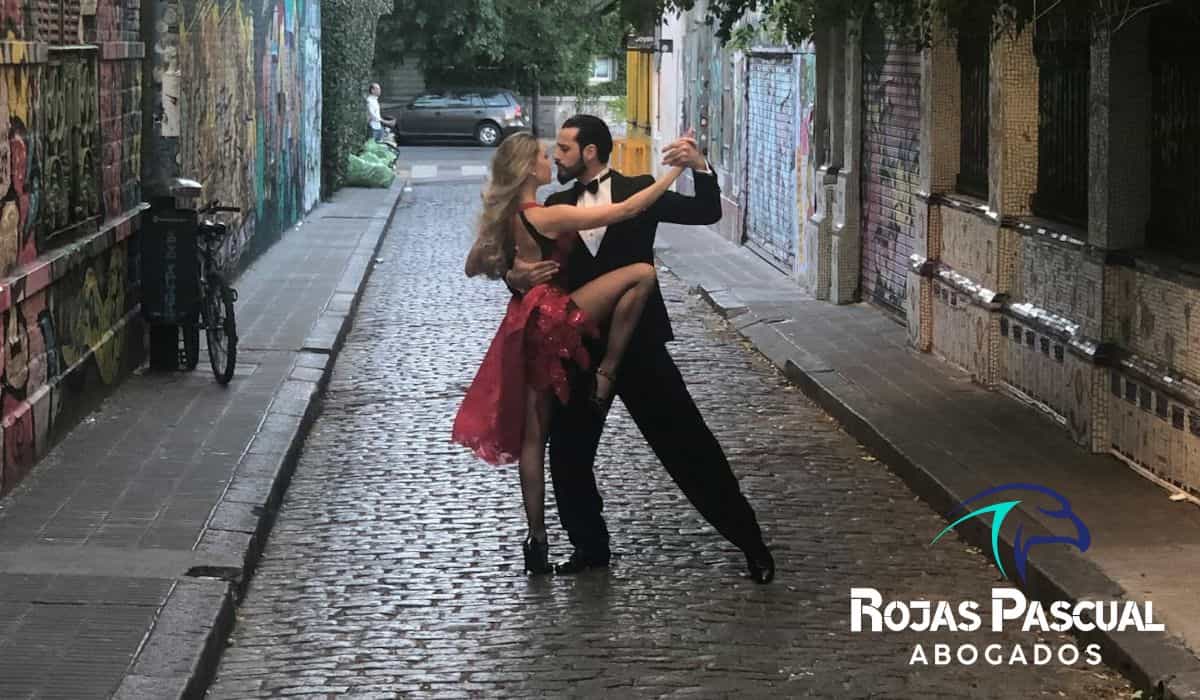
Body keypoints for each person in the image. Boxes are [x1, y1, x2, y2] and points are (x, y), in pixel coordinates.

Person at [505, 115, 775, 584]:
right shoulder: (557, 205)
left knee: (690, 445)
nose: (558, 156)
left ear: (590, 152)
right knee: (568, 456)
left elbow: (705, 212)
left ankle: (751, 543)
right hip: (580, 348)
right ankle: (590, 548)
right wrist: (515, 276)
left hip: (640, 345)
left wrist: (699, 166)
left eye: (565, 148)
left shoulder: (640, 189)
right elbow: (522, 269)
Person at [452, 132, 685, 574]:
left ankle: (536, 540)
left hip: (525, 324)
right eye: (543, 156)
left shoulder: (506, 217)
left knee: (534, 438)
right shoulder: (547, 214)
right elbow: (625, 210)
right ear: (527, 169)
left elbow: (471, 266)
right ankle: (609, 369)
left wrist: (513, 272)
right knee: (641, 273)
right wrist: (675, 172)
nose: (550, 160)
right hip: (555, 317)